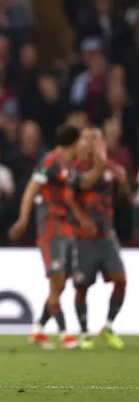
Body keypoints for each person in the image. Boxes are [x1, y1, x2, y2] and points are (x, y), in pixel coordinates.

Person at [9, 124, 95, 349]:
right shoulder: (50, 161)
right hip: (50, 229)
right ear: (75, 142)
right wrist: (23, 218)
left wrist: (83, 220)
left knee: (60, 284)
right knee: (56, 280)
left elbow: (69, 197)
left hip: (66, 229)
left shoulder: (71, 165)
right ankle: (65, 333)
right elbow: (31, 189)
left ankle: (38, 330)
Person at [71, 127, 129, 350]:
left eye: (96, 138)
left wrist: (124, 181)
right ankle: (84, 332)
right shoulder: (75, 168)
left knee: (121, 280)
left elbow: (125, 197)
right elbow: (83, 185)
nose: (91, 142)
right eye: (86, 138)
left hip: (107, 235)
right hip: (83, 238)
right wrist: (102, 163)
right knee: (82, 286)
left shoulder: (111, 168)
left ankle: (108, 325)